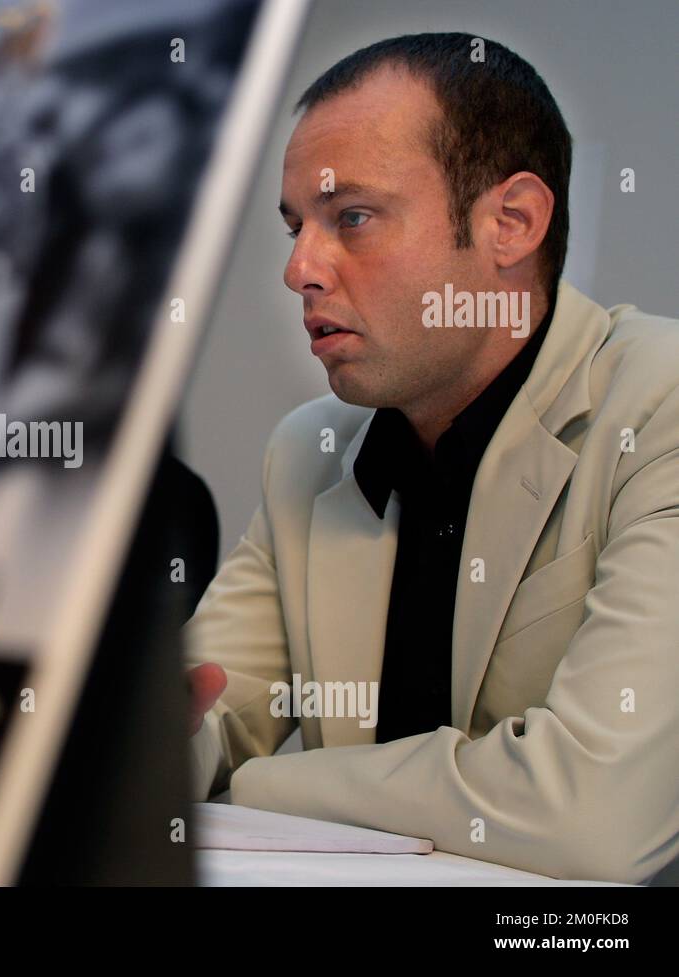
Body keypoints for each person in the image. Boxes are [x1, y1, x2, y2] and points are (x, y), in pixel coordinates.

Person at [185, 33, 679, 884]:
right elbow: (209, 712)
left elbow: (591, 816)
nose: (299, 268)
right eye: (296, 226)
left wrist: (258, 785)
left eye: (352, 217)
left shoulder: (660, 406)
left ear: (511, 223)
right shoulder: (308, 451)